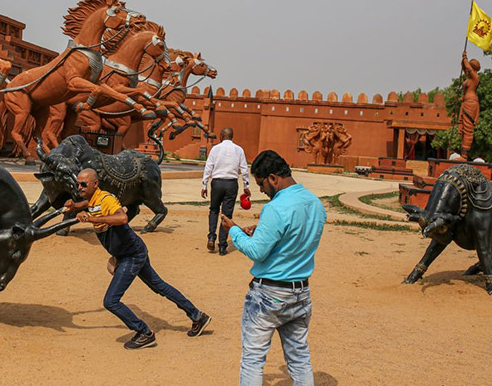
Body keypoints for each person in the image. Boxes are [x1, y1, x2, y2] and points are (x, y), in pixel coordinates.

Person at [66, 168, 211, 350]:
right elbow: (89, 203)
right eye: (78, 184)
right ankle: (198, 316)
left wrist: (91, 219)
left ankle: (144, 333)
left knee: (111, 301)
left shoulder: (106, 199)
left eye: (83, 184)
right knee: (159, 285)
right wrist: (76, 206)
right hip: (131, 251)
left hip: (132, 255)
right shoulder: (94, 199)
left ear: (95, 184)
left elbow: (122, 218)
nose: (79, 187)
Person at [220, 150, 326, 386]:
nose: (261, 190)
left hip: (268, 294)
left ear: (273, 178)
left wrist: (233, 230)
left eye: (261, 184)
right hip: (300, 294)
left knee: (253, 359)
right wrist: (262, 231)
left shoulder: (275, 208)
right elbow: (294, 237)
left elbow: (257, 252)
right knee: (299, 359)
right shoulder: (315, 204)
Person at [201, 127, 250, 255]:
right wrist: (246, 186)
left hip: (217, 183)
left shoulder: (215, 149)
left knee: (214, 210)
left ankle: (212, 237)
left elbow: (208, 167)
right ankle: (222, 245)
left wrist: (204, 185)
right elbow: (244, 169)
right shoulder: (239, 150)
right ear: (232, 137)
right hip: (231, 184)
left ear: (221, 136)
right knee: (226, 214)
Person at [459, 50, 481, 159]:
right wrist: (463, 59)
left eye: (470, 69)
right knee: (463, 128)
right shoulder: (469, 78)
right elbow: (465, 68)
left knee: (468, 128)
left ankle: (465, 153)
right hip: (466, 103)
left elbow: (467, 67)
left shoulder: (475, 78)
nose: (467, 71)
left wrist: (465, 58)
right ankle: (463, 153)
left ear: (474, 69)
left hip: (471, 104)